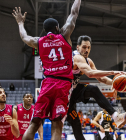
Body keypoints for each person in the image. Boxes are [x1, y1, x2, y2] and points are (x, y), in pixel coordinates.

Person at [12, 0, 81, 139]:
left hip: (47, 84)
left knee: (35, 123)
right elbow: (74, 13)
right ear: (57, 27)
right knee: (57, 124)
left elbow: (24, 37)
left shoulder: (39, 41)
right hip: (63, 85)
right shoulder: (64, 35)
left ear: (44, 30)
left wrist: (20, 23)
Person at [66, 35, 126, 140]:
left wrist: (114, 84)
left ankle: (116, 117)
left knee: (93, 89)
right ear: (77, 47)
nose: (86, 50)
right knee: (76, 124)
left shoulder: (89, 61)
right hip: (63, 94)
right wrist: (113, 72)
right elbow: (91, 74)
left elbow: (101, 79)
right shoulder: (76, 57)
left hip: (73, 91)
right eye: (84, 47)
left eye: (88, 47)